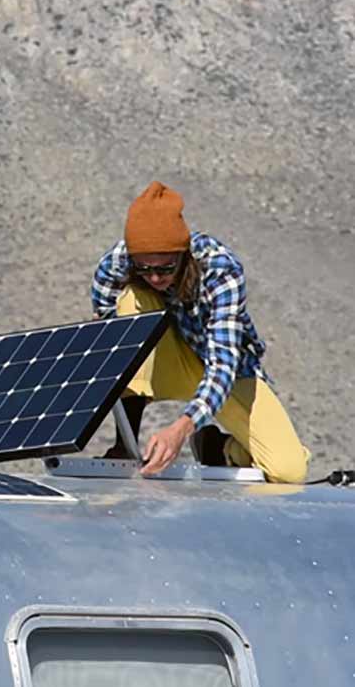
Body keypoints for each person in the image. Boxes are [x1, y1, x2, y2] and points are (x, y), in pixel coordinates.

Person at [90, 181, 309, 483]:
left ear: (183, 254)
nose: (155, 277)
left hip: (224, 370)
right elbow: (107, 337)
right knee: (130, 304)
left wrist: (182, 428)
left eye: (165, 268)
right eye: (144, 268)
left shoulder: (221, 270)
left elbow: (223, 363)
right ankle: (124, 447)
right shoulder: (116, 263)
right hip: (167, 360)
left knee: (288, 471)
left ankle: (219, 447)